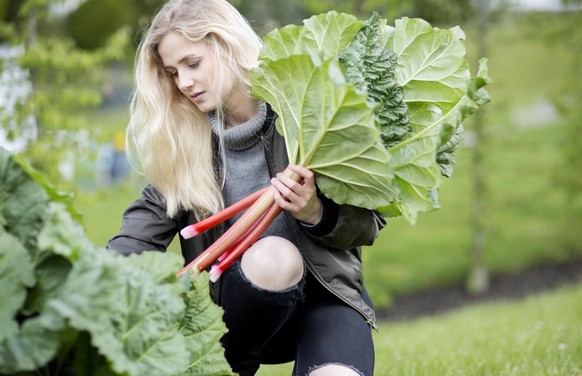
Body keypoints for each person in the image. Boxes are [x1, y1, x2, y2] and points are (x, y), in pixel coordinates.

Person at [107, 0, 386, 375]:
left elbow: (368, 222)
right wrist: (95, 281)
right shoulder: (187, 147)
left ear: (228, 45)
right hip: (238, 318)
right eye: (173, 73)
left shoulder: (305, 119)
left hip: (327, 298)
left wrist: (314, 212)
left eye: (193, 63)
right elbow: (136, 239)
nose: (184, 82)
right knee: (274, 257)